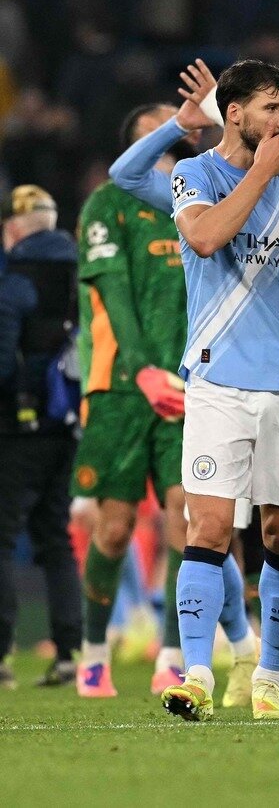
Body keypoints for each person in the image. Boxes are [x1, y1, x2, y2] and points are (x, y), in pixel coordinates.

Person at [158, 59, 279, 722]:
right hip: (216, 379)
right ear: (233, 112)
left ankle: (270, 675)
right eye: (270, 107)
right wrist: (262, 173)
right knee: (207, 525)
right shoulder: (195, 174)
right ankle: (195, 675)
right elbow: (207, 237)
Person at [77, 63, 257, 705]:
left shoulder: (195, 197)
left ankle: (175, 656)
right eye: (152, 135)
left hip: (191, 384)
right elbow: (115, 297)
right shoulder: (109, 204)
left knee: (192, 520)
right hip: (123, 388)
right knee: (116, 528)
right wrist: (143, 368)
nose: (168, 145)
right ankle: (94, 653)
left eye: (174, 135)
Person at [0, 185, 82, 689]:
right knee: (56, 538)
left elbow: (4, 361)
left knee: (3, 538)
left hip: (16, 425)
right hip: (68, 421)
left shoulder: (13, 283)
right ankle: (70, 652)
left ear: (12, 228)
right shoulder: (80, 271)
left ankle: (1, 657)